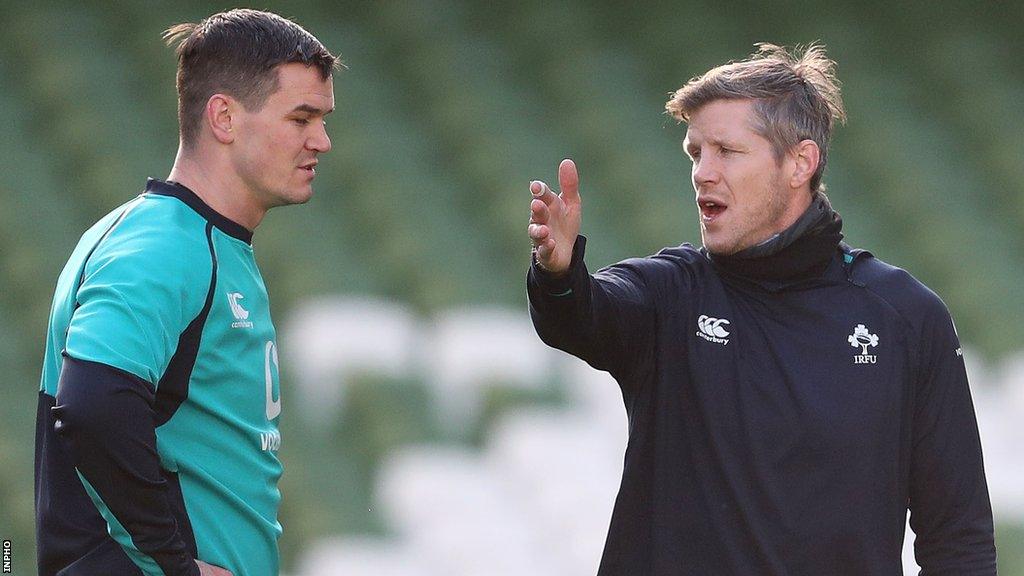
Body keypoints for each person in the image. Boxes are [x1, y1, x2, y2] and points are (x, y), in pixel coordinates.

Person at [526, 44, 996, 575]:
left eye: (726, 150)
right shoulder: (671, 295)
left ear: (800, 162)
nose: (702, 172)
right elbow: (582, 316)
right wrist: (559, 273)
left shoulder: (906, 319)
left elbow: (959, 541)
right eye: (695, 152)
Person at [35, 9, 339, 576]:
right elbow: (92, 403)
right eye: (301, 118)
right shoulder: (161, 247)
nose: (321, 140)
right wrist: (175, 566)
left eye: (322, 119)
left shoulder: (208, 245)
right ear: (224, 116)